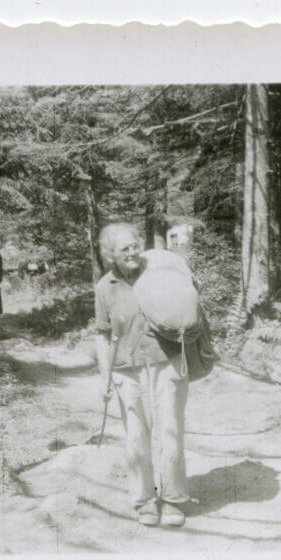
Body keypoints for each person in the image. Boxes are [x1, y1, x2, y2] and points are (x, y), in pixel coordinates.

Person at [94, 223, 191, 527]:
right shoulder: (104, 287)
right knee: (137, 437)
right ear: (111, 256)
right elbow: (102, 333)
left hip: (167, 362)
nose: (134, 251)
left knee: (170, 432)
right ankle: (145, 501)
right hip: (127, 368)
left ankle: (173, 500)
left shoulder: (158, 273)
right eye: (125, 249)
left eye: (135, 245)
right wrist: (104, 376)